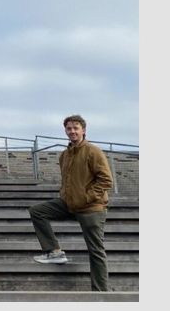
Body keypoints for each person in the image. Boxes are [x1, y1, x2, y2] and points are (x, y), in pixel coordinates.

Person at [28, 114, 113, 291]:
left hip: (91, 208)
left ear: (83, 130)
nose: (72, 131)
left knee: (96, 251)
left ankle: (101, 292)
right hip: (69, 204)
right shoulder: (64, 155)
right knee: (37, 211)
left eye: (76, 128)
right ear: (65, 131)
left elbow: (106, 180)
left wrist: (86, 197)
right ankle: (54, 251)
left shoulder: (93, 151)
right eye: (69, 128)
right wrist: (66, 196)